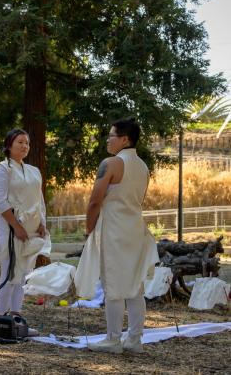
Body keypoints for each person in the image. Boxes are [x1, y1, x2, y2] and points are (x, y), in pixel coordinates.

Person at [75, 118, 159, 354]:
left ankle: (113, 339)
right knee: (135, 286)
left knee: (113, 284)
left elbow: (95, 200)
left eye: (112, 135)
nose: (108, 140)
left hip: (114, 230)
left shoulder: (111, 163)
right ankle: (134, 339)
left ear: (125, 139)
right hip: (136, 230)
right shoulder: (143, 167)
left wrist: (88, 229)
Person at [0, 129, 49, 330]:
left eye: (27, 143)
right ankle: (1, 318)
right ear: (9, 145)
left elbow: (39, 200)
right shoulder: (2, 169)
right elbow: (0, 200)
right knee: (10, 269)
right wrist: (16, 226)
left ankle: (16, 317)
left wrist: (42, 223)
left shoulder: (34, 171)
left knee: (24, 272)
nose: (25, 146)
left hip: (31, 228)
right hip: (11, 227)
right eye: (20, 142)